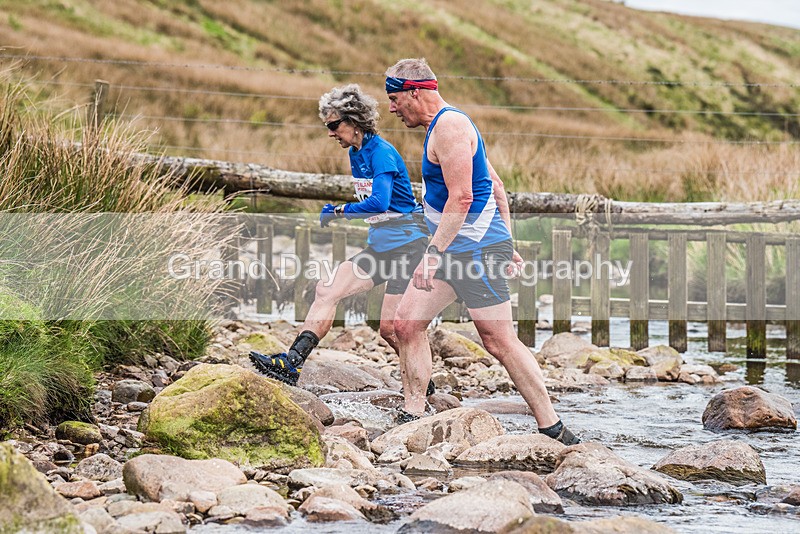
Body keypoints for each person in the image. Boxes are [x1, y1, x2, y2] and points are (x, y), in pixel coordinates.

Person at [385, 58, 580, 445]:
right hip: (457, 250)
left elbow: (464, 197)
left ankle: (553, 428)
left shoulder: (451, 127)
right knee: (404, 325)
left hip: (474, 252)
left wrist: (437, 253)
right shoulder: (441, 128)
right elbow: (499, 186)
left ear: (414, 91)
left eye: (394, 99)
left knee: (498, 340)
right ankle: (411, 415)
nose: (392, 109)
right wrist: (510, 241)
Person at [250, 84, 432, 391]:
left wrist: (339, 211)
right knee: (327, 289)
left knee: (390, 329)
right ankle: (291, 363)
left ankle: (423, 383)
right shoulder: (356, 153)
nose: (331, 133)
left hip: (408, 248)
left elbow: (380, 202)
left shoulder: (383, 154)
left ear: (355, 121)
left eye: (334, 125)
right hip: (381, 247)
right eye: (327, 127)